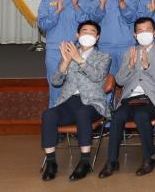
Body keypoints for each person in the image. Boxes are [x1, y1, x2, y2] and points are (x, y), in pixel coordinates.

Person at [98, 17, 155, 178]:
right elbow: (119, 81)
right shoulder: (129, 53)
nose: (144, 33)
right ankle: (112, 161)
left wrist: (147, 67)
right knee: (117, 117)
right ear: (135, 35)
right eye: (140, 31)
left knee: (141, 115)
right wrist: (130, 66)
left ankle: (149, 158)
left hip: (152, 99)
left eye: (148, 30)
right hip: (130, 98)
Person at [40, 21, 111, 181]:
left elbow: (97, 76)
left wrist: (79, 60)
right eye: (84, 31)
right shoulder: (68, 54)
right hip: (69, 101)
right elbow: (56, 82)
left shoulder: (103, 56)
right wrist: (65, 62)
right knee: (48, 115)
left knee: (83, 113)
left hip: (92, 103)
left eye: (92, 32)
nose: (88, 34)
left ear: (97, 37)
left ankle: (85, 162)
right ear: (77, 35)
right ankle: (51, 163)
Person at [38, 0, 96, 107]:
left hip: (78, 51)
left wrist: (76, 7)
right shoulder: (47, 0)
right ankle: (54, 119)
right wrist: (57, 11)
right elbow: (42, 25)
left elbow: (89, 25)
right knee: (55, 89)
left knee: (79, 90)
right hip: (55, 50)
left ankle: (78, 120)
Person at [94, 0, 139, 74]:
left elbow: (132, 18)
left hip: (126, 45)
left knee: (127, 78)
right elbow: (94, 20)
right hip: (105, 44)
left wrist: (122, 2)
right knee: (107, 80)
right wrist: (102, 4)